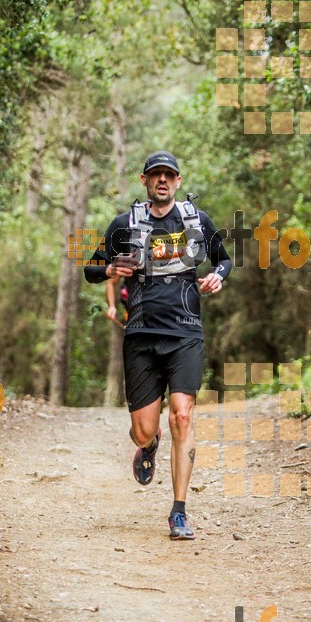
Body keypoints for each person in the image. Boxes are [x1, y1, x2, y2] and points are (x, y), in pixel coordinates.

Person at [84, 151, 232, 540]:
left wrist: (218, 275)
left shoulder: (196, 220)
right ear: (145, 181)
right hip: (141, 335)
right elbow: (90, 269)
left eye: (169, 175)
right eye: (155, 175)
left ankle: (179, 512)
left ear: (178, 181)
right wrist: (110, 269)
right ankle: (149, 446)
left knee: (182, 416)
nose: (162, 180)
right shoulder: (125, 224)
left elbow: (224, 259)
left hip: (186, 332)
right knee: (143, 431)